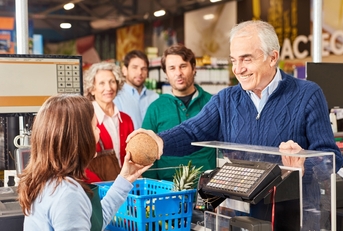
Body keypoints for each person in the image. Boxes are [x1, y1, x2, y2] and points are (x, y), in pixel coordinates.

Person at [128, 20, 343, 230]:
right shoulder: (226, 100)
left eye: (246, 59)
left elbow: (331, 156)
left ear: (272, 57)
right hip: (242, 215)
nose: (238, 69)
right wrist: (159, 141)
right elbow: (192, 131)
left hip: (296, 214)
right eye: (233, 60)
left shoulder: (307, 94)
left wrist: (305, 163)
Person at [17, 94, 151, 231]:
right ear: (79, 138)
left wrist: (126, 178)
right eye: (94, 127)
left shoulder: (48, 182)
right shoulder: (68, 195)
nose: (98, 131)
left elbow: (95, 222)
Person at [141, 44, 216, 181]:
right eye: (172, 68)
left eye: (183, 66)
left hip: (207, 187)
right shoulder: (155, 108)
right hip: (166, 189)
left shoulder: (212, 103)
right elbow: (147, 153)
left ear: (193, 68)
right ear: (166, 74)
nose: (178, 73)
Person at [84, 62, 134, 182]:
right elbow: (80, 163)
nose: (109, 88)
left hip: (126, 186)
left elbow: (133, 156)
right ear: (92, 89)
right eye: (102, 83)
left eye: (112, 81)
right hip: (96, 188)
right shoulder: (85, 119)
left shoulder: (126, 120)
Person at [114, 50, 159, 130]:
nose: (139, 72)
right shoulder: (116, 98)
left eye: (143, 68)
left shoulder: (155, 97)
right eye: (134, 67)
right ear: (125, 70)